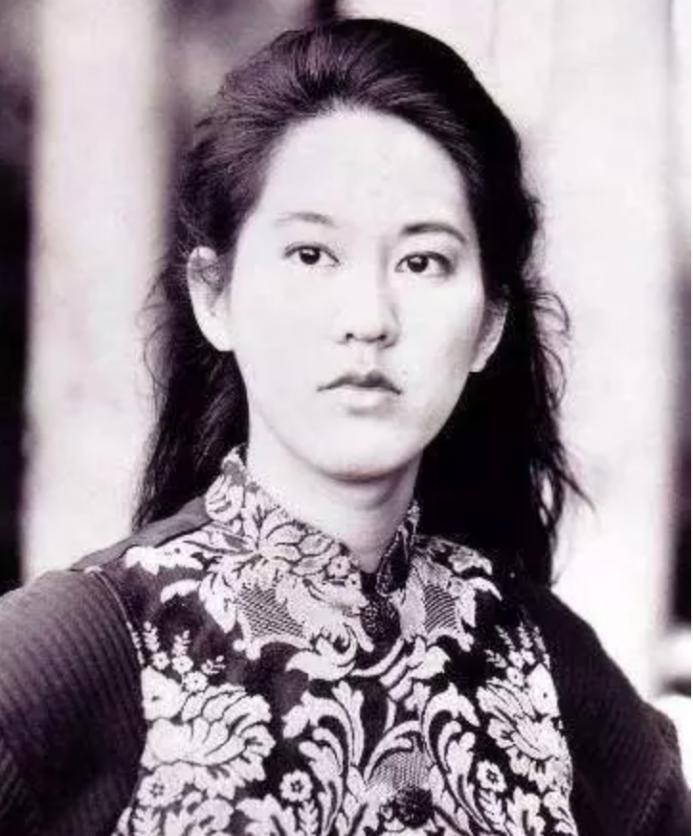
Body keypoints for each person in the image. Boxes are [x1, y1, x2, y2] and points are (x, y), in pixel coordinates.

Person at [0, 17, 688, 836]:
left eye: (422, 262)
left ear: (488, 324)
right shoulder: (81, 649)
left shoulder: (551, 668)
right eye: (311, 255)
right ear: (214, 296)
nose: (368, 318)